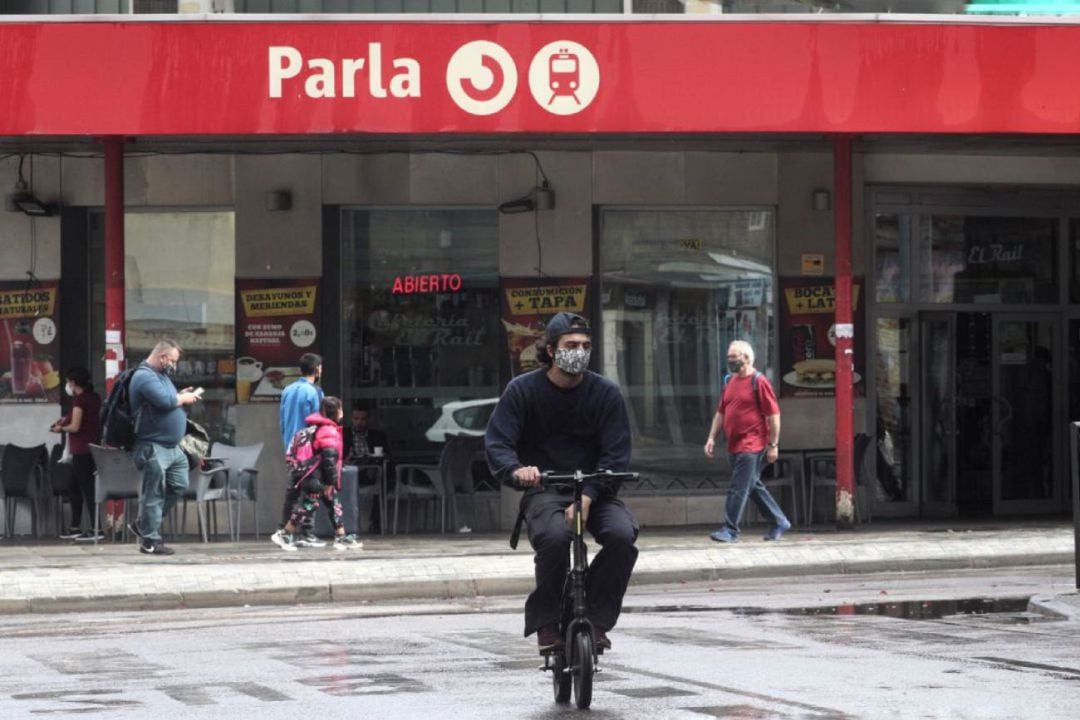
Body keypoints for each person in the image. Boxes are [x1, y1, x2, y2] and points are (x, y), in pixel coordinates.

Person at [485, 311, 637, 652]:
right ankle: (547, 623)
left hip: (596, 489)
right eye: (571, 345)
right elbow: (498, 442)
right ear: (551, 350)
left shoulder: (606, 393)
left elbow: (616, 454)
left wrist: (590, 496)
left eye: (585, 345)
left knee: (622, 536)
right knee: (553, 539)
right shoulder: (522, 390)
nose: (579, 351)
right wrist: (516, 470)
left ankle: (596, 619)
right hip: (546, 489)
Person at [704, 340, 790, 543]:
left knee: (738, 487)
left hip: (752, 445)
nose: (730, 360)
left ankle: (730, 529)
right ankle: (779, 521)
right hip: (734, 444)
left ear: (746, 357)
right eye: (729, 357)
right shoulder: (730, 381)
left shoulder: (758, 381)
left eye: (734, 357)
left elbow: (774, 415)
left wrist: (773, 445)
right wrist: (711, 438)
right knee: (752, 485)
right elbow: (721, 412)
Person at [128, 340, 201, 555]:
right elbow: (165, 401)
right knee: (154, 492)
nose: (174, 365)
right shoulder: (143, 376)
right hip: (152, 445)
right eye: (172, 361)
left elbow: (169, 398)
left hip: (172, 447)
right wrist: (182, 398)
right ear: (162, 357)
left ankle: (143, 524)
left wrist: (179, 394)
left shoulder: (161, 377)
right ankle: (150, 541)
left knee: (179, 484)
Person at [271, 396, 362, 552]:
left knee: (334, 504)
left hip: (312, 474)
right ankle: (285, 533)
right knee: (308, 505)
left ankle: (341, 537)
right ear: (336, 412)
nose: (341, 412)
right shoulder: (328, 430)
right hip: (317, 477)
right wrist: (331, 481)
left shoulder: (316, 427)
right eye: (340, 409)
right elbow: (328, 459)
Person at [50, 367, 103, 541]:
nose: (67, 385)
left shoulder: (80, 400)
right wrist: (66, 419)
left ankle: (97, 529)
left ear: (73, 383)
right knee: (73, 486)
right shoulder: (94, 398)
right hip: (92, 447)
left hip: (82, 450)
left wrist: (60, 429)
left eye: (67, 382)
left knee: (87, 488)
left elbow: (75, 427)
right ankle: (75, 526)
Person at [278, 352, 324, 547]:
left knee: (294, 489)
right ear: (317, 369)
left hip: (291, 445)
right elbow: (318, 421)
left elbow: (282, 419)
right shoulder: (315, 392)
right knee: (311, 489)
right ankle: (307, 531)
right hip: (308, 448)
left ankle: (286, 529)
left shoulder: (288, 389)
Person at [342, 404, 389, 534]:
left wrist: (379, 457)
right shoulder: (344, 434)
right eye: (356, 419)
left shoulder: (377, 435)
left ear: (368, 420)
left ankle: (376, 523)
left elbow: (388, 455)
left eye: (363, 419)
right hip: (351, 472)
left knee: (384, 482)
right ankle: (346, 526)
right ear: (351, 419)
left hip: (373, 471)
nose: (359, 422)